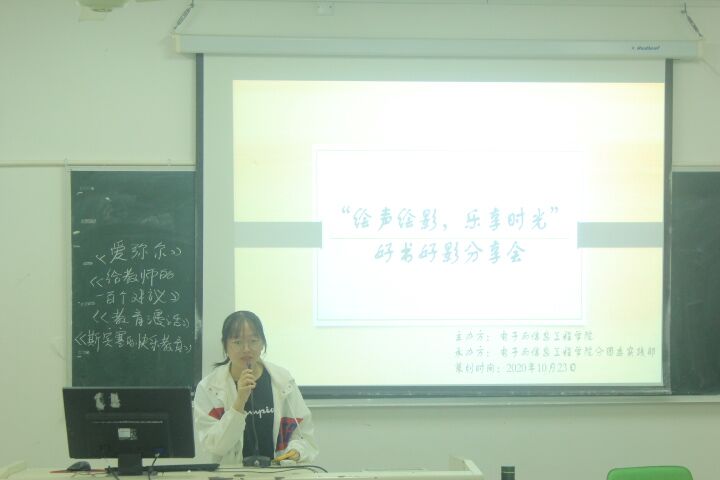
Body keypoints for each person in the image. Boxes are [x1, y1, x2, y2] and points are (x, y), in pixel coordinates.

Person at [194, 311, 319, 465]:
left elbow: (303, 434)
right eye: (237, 342)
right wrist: (239, 402)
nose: (246, 349)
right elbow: (214, 446)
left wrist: (297, 451)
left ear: (262, 344)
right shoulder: (209, 388)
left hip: (278, 472)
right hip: (230, 473)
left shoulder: (282, 381)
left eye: (253, 341)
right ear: (225, 346)